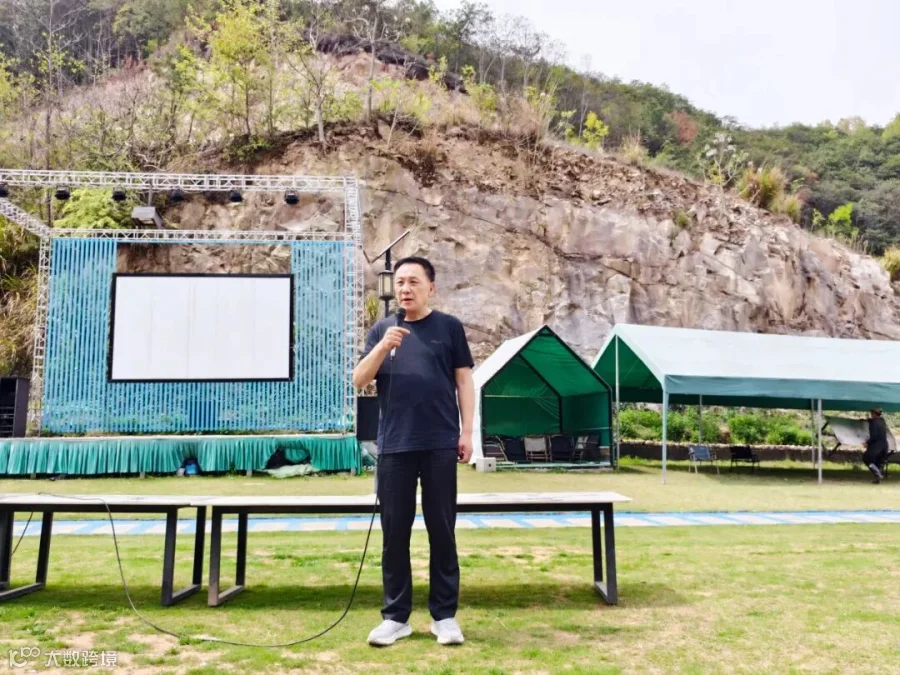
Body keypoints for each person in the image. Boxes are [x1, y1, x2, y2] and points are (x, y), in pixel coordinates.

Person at [352, 256, 475, 647]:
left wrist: (467, 432)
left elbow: (464, 381)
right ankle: (396, 618)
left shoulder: (449, 328)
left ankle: (444, 617)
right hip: (394, 446)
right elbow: (359, 380)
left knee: (442, 530)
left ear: (430, 288)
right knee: (394, 533)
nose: (405, 289)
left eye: (413, 282)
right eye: (400, 282)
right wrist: (382, 347)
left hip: (440, 442)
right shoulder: (382, 330)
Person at [863, 407, 889, 484]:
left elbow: (874, 436)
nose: (871, 414)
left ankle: (878, 475)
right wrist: (866, 420)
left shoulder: (873, 423)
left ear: (874, 413)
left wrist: (867, 443)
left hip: (877, 446)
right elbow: (873, 420)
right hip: (884, 446)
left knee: (867, 458)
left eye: (872, 413)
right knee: (878, 463)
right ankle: (877, 478)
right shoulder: (882, 421)